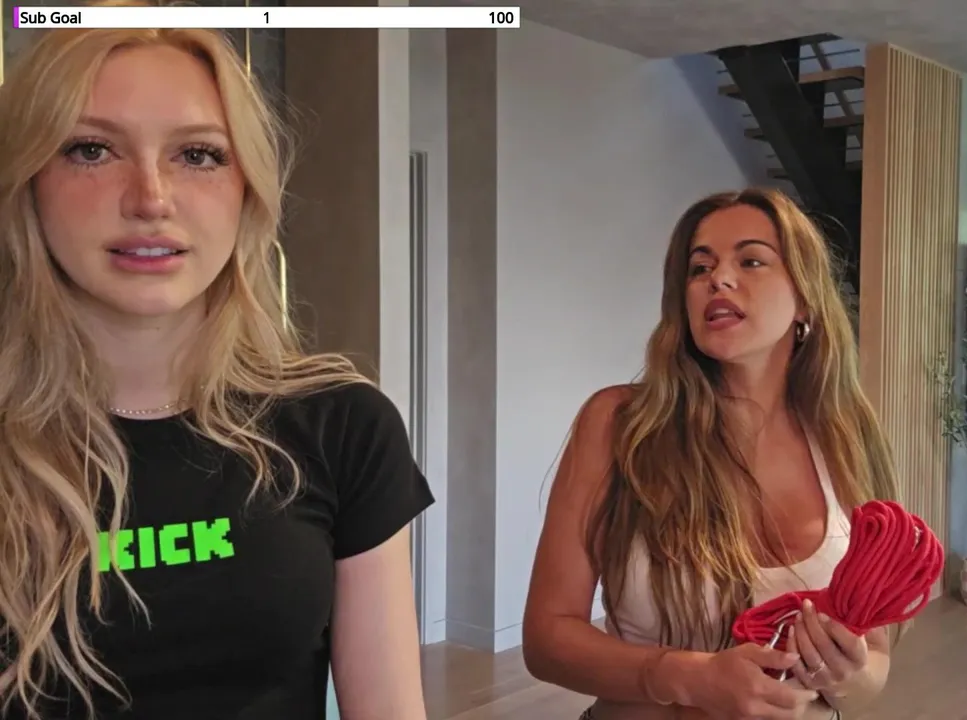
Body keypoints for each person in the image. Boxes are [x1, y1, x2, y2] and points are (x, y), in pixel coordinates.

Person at [0, 15, 433, 720]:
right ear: (29, 186)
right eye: (91, 149)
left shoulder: (343, 424)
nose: (150, 198)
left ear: (247, 191)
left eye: (197, 154)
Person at [523, 188, 903, 719]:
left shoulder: (847, 437)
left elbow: (874, 662)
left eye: (751, 261)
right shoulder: (620, 425)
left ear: (805, 299)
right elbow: (546, 638)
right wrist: (689, 678)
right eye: (699, 268)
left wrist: (848, 674)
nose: (717, 279)